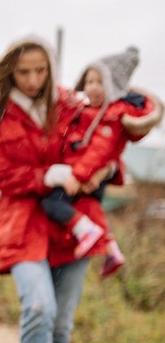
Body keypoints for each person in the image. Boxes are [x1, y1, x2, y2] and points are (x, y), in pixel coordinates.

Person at [0, 37, 159, 343]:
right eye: (24, 71)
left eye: (40, 70)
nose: (34, 79)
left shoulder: (70, 102)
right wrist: (47, 176)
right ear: (10, 71)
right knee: (39, 306)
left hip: (74, 223)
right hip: (23, 223)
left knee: (62, 322)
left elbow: (113, 124)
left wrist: (113, 158)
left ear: (50, 69)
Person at [42, 46, 162, 276]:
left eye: (100, 82)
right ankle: (111, 249)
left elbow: (99, 151)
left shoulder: (109, 117)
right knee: (91, 208)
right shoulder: (86, 112)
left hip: (82, 175)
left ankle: (86, 232)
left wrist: (78, 176)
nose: (92, 87)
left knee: (52, 204)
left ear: (113, 87)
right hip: (85, 174)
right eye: (89, 81)